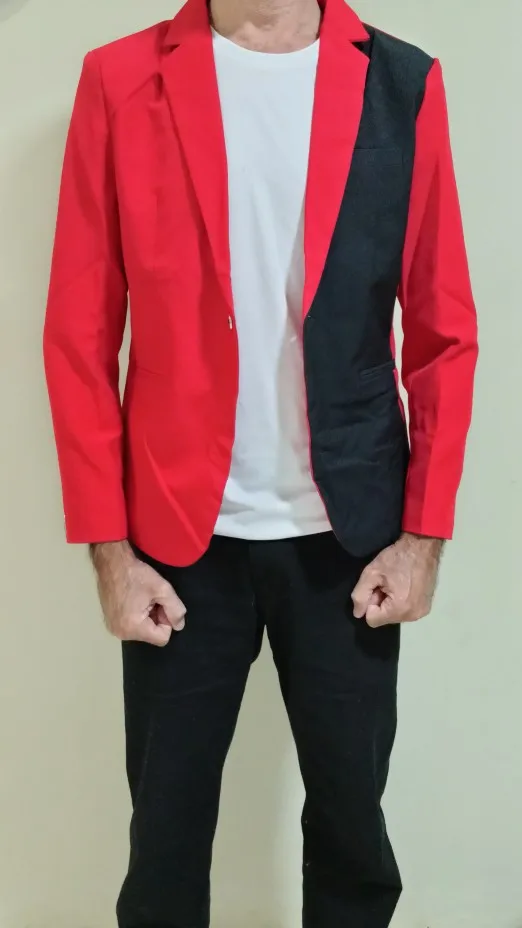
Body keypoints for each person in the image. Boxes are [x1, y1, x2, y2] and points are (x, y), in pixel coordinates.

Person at [43, 0, 478, 924]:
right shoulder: (120, 80)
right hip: (176, 546)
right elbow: (79, 337)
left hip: (351, 543)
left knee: (355, 848)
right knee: (162, 856)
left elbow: (444, 334)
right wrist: (111, 553)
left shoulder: (403, 84)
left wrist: (422, 538)